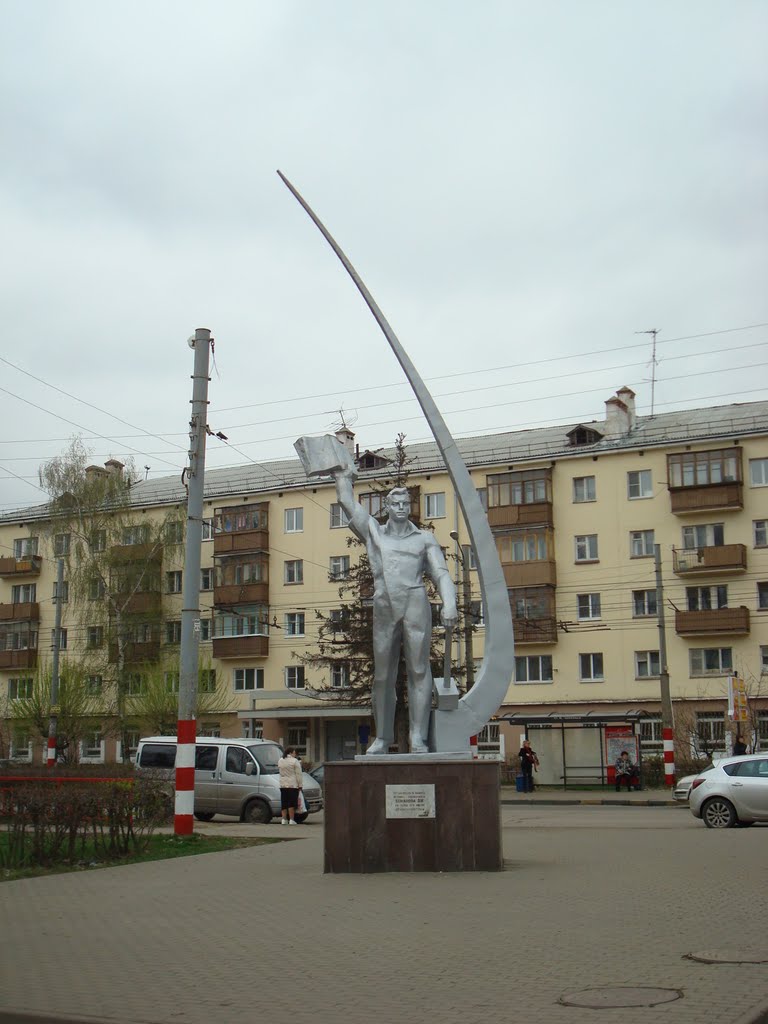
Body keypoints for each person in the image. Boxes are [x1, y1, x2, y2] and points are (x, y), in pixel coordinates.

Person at [332, 465, 458, 755]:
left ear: (410, 506)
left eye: (406, 503)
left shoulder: (424, 538)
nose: (401, 508)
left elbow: (440, 574)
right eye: (395, 504)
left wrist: (449, 602)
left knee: (418, 669)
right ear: (387, 506)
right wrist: (342, 477)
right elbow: (348, 504)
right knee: (382, 675)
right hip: (384, 604)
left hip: (415, 602)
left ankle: (417, 737)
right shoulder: (374, 532)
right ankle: (383, 738)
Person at [278, 746, 303, 825]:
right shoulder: (295, 761)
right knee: (291, 803)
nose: (295, 754)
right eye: (294, 753)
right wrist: (300, 785)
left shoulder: (280, 760)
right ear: (291, 753)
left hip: (283, 784)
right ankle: (291, 820)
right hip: (293, 784)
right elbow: (299, 774)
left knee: (284, 802)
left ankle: (284, 819)